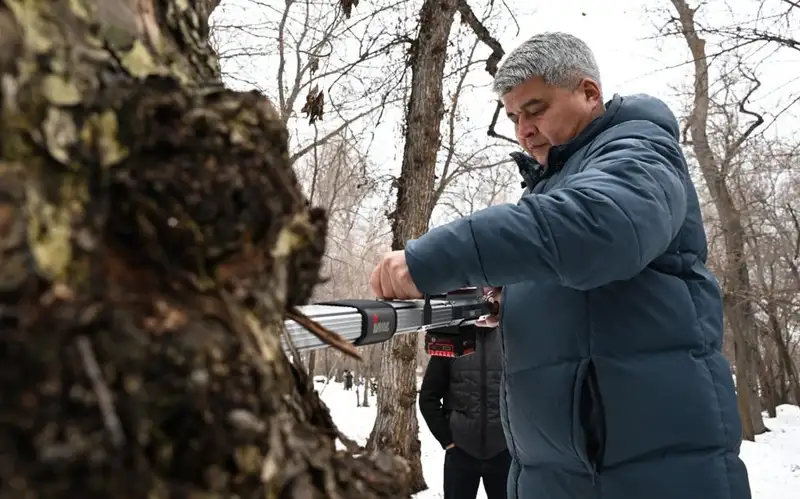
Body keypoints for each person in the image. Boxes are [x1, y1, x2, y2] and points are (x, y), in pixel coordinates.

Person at [369, 32, 751, 499]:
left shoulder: (639, 151)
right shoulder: (555, 184)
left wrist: (432, 257)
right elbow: (576, 283)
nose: (523, 130)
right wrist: (511, 301)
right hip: (559, 474)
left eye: (535, 110)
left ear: (589, 93)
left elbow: (599, 230)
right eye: (512, 117)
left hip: (647, 474)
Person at [418, 325, 511, 499]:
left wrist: (516, 440)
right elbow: (428, 397)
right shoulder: (453, 339)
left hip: (503, 453)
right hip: (461, 453)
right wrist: (447, 440)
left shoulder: (512, 339)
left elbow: (527, 394)